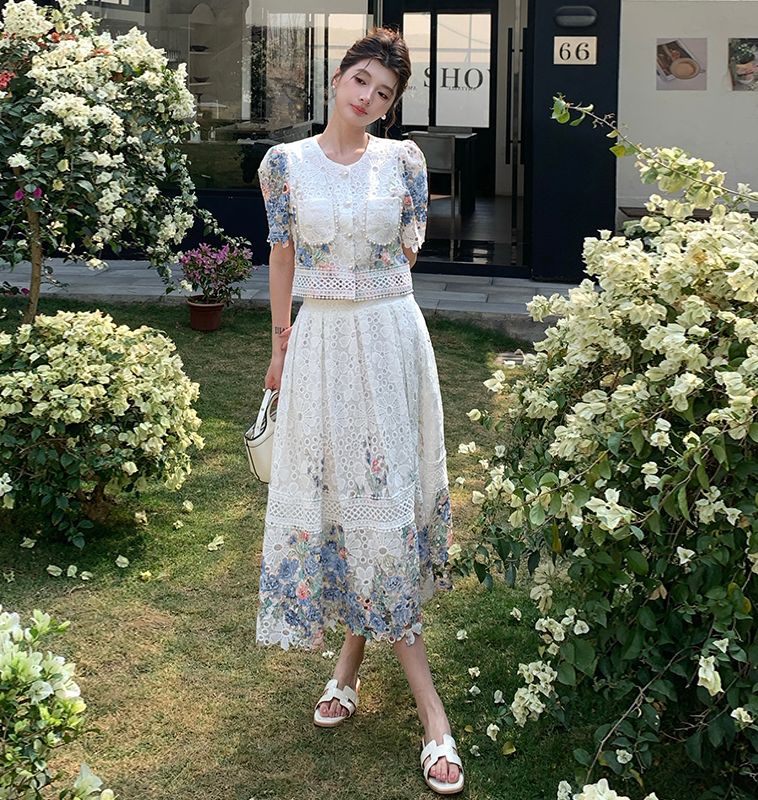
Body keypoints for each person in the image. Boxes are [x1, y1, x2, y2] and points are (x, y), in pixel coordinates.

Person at [255, 27, 463, 795]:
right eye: (361, 81)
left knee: (383, 501)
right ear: (337, 76)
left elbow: (404, 254)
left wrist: (366, 298)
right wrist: (280, 348)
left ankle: (433, 717)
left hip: (388, 341)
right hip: (319, 347)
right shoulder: (284, 165)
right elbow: (283, 255)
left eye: (384, 93)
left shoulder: (404, 163)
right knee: (347, 498)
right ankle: (347, 667)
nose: (368, 98)